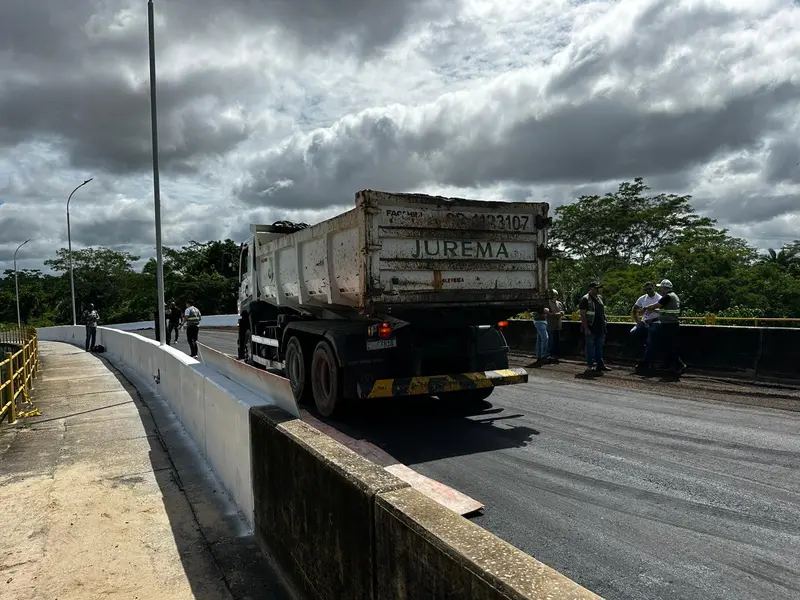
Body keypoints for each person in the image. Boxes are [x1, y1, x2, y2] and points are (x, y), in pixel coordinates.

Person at [639, 279, 686, 375]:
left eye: (661, 288)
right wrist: (653, 312)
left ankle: (679, 365)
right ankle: (668, 364)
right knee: (668, 345)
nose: (660, 289)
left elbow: (656, 305)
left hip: (669, 325)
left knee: (671, 346)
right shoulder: (674, 296)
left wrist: (646, 308)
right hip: (671, 323)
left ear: (665, 288)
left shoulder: (667, 297)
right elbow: (665, 311)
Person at [579, 282, 611, 375]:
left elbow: (602, 312)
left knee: (599, 347)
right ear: (590, 288)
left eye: (598, 288)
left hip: (600, 327)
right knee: (590, 348)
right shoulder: (585, 299)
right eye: (596, 288)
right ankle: (590, 366)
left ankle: (600, 364)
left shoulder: (599, 298)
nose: (598, 290)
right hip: (591, 327)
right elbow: (583, 315)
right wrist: (586, 328)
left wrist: (605, 322)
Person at [631, 282, 661, 364]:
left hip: (656, 321)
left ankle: (646, 361)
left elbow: (663, 312)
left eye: (650, 289)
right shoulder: (642, 298)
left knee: (651, 336)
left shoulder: (659, 298)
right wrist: (638, 322)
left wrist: (653, 311)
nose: (648, 291)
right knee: (633, 333)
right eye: (646, 290)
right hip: (644, 322)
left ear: (654, 288)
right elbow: (634, 310)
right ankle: (640, 355)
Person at [547, 289, 565, 360]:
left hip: (558, 324)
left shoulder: (559, 303)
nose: (555, 296)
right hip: (551, 324)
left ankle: (556, 354)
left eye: (555, 295)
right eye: (553, 295)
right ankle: (551, 354)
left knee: (557, 340)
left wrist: (561, 313)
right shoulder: (547, 303)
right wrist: (555, 314)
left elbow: (563, 311)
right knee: (551, 340)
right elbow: (546, 313)